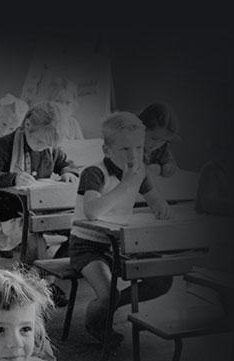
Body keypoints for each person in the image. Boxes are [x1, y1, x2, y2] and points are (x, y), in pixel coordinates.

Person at [69, 112, 173, 345]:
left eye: (138, 147)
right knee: (108, 293)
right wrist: (126, 184)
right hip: (88, 247)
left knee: (162, 279)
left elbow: (157, 202)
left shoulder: (140, 172)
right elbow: (92, 212)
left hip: (122, 243)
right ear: (107, 151)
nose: (133, 155)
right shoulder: (94, 173)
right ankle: (96, 318)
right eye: (125, 149)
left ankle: (109, 308)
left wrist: (161, 209)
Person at [0, 102, 78, 305]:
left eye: (47, 146)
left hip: (38, 208)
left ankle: (47, 280)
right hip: (7, 210)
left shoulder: (50, 148)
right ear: (27, 125)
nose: (43, 148)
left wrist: (67, 173)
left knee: (75, 232)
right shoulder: (5, 145)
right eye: (39, 142)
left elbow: (67, 164)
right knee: (35, 232)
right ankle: (34, 286)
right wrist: (13, 179)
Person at [138, 101, 181, 178]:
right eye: (154, 138)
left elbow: (172, 165)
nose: (157, 144)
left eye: (163, 140)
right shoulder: (131, 143)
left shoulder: (162, 148)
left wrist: (161, 169)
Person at [46, 77, 84, 141]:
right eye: (58, 101)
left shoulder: (73, 123)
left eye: (68, 103)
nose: (63, 107)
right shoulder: (46, 121)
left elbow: (82, 144)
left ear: (73, 104)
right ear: (49, 102)